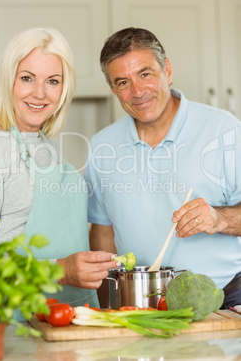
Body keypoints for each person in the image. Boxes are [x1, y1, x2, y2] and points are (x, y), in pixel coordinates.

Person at [84, 27, 241, 309]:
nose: (137, 91)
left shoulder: (224, 129)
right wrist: (107, 304)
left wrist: (219, 218)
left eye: (146, 74)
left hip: (226, 297)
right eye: (123, 82)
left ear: (167, 70)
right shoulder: (100, 147)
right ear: (113, 90)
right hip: (139, 304)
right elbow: (103, 231)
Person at [0, 27, 120, 316]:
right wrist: (60, 270)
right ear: (8, 81)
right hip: (19, 325)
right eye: (27, 78)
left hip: (74, 316)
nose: (39, 93)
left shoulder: (44, 143)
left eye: (52, 81)